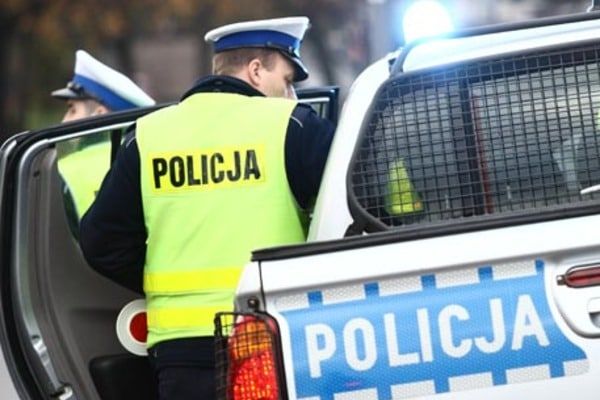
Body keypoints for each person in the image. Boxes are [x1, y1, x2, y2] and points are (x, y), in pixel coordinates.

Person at [79, 16, 335, 400]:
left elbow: (101, 241)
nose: (291, 95)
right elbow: (350, 210)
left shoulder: (148, 135)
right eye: (286, 82)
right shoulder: (292, 125)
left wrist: (162, 279)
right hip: (271, 333)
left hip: (180, 350)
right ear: (255, 71)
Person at [52, 50, 155, 232]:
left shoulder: (66, 170)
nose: (64, 120)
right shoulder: (152, 160)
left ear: (99, 115)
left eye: (72, 110)